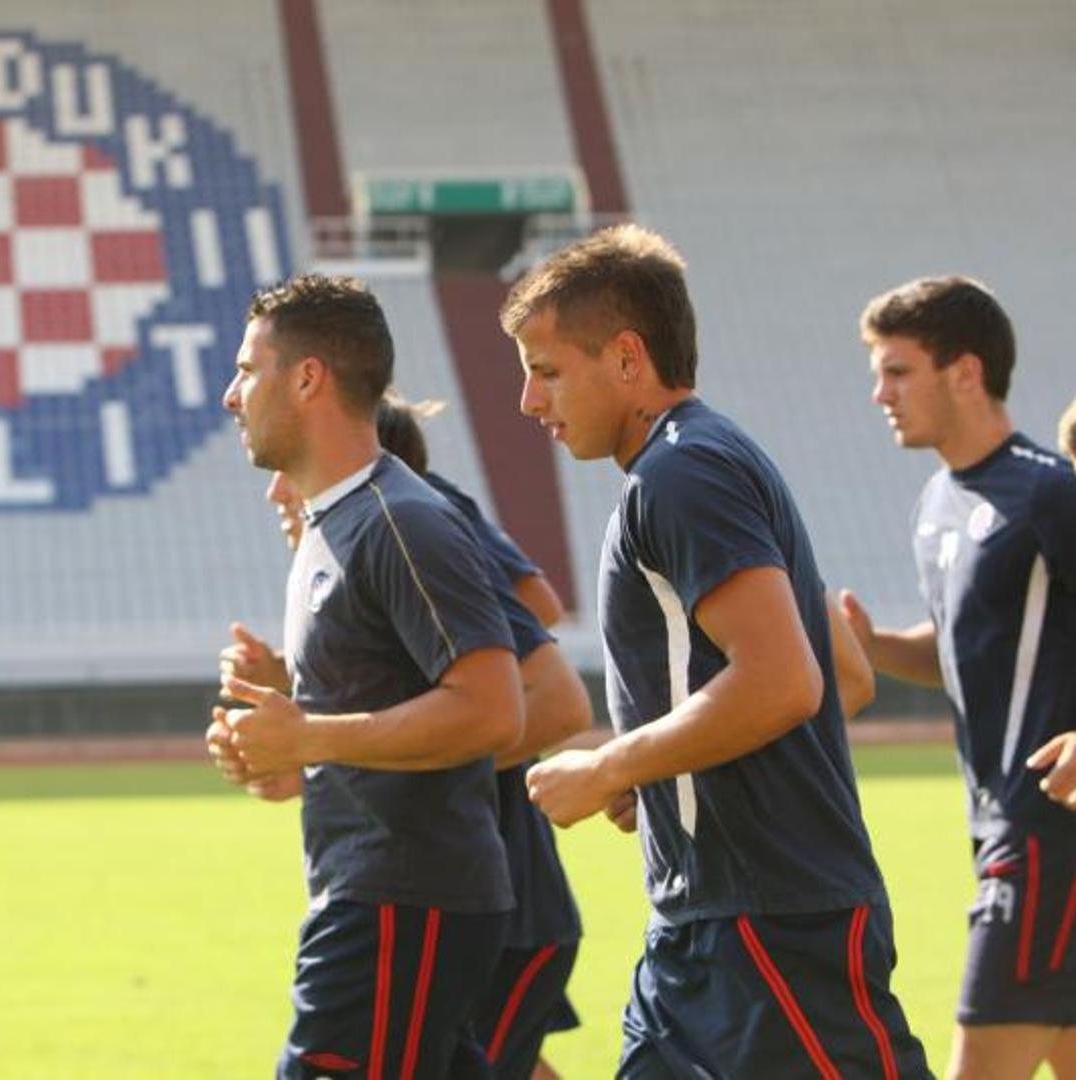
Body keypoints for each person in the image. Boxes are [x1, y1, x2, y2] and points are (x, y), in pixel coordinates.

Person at [500, 224, 930, 1078]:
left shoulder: (681, 476)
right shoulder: (703, 459)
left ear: (627, 358)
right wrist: (665, 772)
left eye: (545, 371)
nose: (526, 401)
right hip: (708, 926)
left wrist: (613, 764)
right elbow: (843, 676)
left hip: (768, 924)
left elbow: (786, 683)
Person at [207, 273, 525, 1078]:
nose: (230, 395)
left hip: (397, 908)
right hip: (383, 900)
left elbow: (493, 710)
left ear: (307, 378)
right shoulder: (337, 521)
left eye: (246, 370)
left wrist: (308, 737)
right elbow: (383, 705)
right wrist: (286, 746)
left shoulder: (398, 519)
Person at [220, 392, 591, 1079]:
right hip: (443, 899)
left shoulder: (417, 529)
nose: (277, 491)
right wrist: (306, 718)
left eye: (292, 470)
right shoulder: (373, 536)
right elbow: (532, 605)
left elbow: (552, 696)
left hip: (474, 901)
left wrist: (338, 749)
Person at [839, 276, 1076, 1079]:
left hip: (1043, 837)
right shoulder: (935, 502)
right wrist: (872, 645)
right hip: (995, 831)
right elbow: (960, 649)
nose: (880, 394)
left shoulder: (1049, 493)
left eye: (897, 371)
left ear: (964, 372)